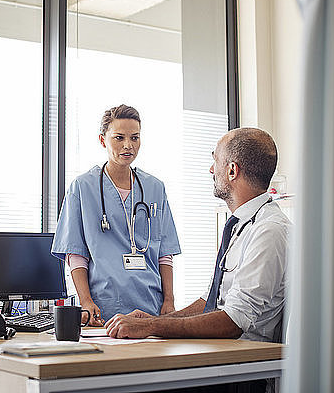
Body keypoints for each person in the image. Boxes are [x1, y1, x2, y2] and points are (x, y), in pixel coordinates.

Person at [105, 127, 290, 343]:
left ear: (232, 171)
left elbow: (234, 321)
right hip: (218, 351)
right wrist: (153, 321)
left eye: (216, 160)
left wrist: (151, 326)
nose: (211, 169)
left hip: (241, 364)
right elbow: (210, 301)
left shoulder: (269, 231)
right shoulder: (240, 225)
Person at [51, 104, 181, 325]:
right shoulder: (82, 187)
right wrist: (85, 302)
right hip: (103, 307)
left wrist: (169, 300)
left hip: (151, 304)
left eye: (135, 138)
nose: (128, 145)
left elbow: (164, 253)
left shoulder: (155, 188)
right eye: (119, 138)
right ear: (103, 140)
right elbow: (75, 253)